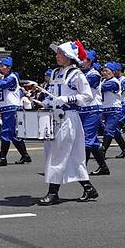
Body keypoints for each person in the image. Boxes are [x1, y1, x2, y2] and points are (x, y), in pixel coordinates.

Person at [38, 41, 98, 205]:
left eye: (60, 53)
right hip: (54, 117)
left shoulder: (77, 74)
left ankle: (53, 192)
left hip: (68, 117)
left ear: (69, 57)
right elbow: (52, 94)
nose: (57, 56)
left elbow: (87, 96)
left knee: (57, 154)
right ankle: (88, 188)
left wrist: (69, 98)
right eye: (57, 53)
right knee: (68, 155)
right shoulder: (56, 73)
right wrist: (45, 102)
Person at [0, 56, 31, 166]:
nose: (0, 68)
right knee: (12, 134)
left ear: (9, 67)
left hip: (11, 108)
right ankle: (25, 155)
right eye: (0, 65)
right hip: (5, 109)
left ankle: (3, 158)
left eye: (2, 66)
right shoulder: (3, 78)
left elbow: (2, 85)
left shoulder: (12, 77)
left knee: (5, 132)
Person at [77, 50, 109, 176]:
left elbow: (79, 85)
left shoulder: (94, 74)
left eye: (84, 59)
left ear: (90, 61)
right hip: (82, 109)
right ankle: (103, 167)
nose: (81, 61)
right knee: (93, 141)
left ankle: (80, 169)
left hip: (92, 110)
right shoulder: (78, 73)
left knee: (85, 140)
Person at [99, 62, 125, 159]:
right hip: (106, 110)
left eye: (107, 71)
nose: (104, 73)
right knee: (115, 131)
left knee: (108, 130)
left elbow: (102, 89)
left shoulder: (114, 82)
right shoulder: (104, 81)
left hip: (114, 110)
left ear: (113, 72)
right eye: (103, 71)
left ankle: (102, 151)